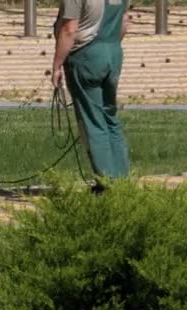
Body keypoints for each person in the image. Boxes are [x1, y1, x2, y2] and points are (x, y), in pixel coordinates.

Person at [52, 0, 131, 188]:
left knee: (93, 121)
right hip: (113, 52)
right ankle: (123, 181)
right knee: (110, 117)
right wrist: (108, 50)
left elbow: (69, 29)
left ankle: (106, 183)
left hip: (86, 56)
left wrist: (56, 65)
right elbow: (125, 21)